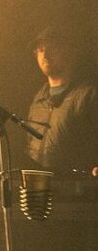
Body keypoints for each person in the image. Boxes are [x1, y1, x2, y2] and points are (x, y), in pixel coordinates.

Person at [25, 24, 98, 177]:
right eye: (40, 50)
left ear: (69, 51)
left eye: (52, 48)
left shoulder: (89, 95)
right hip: (41, 187)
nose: (45, 55)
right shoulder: (38, 99)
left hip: (78, 190)